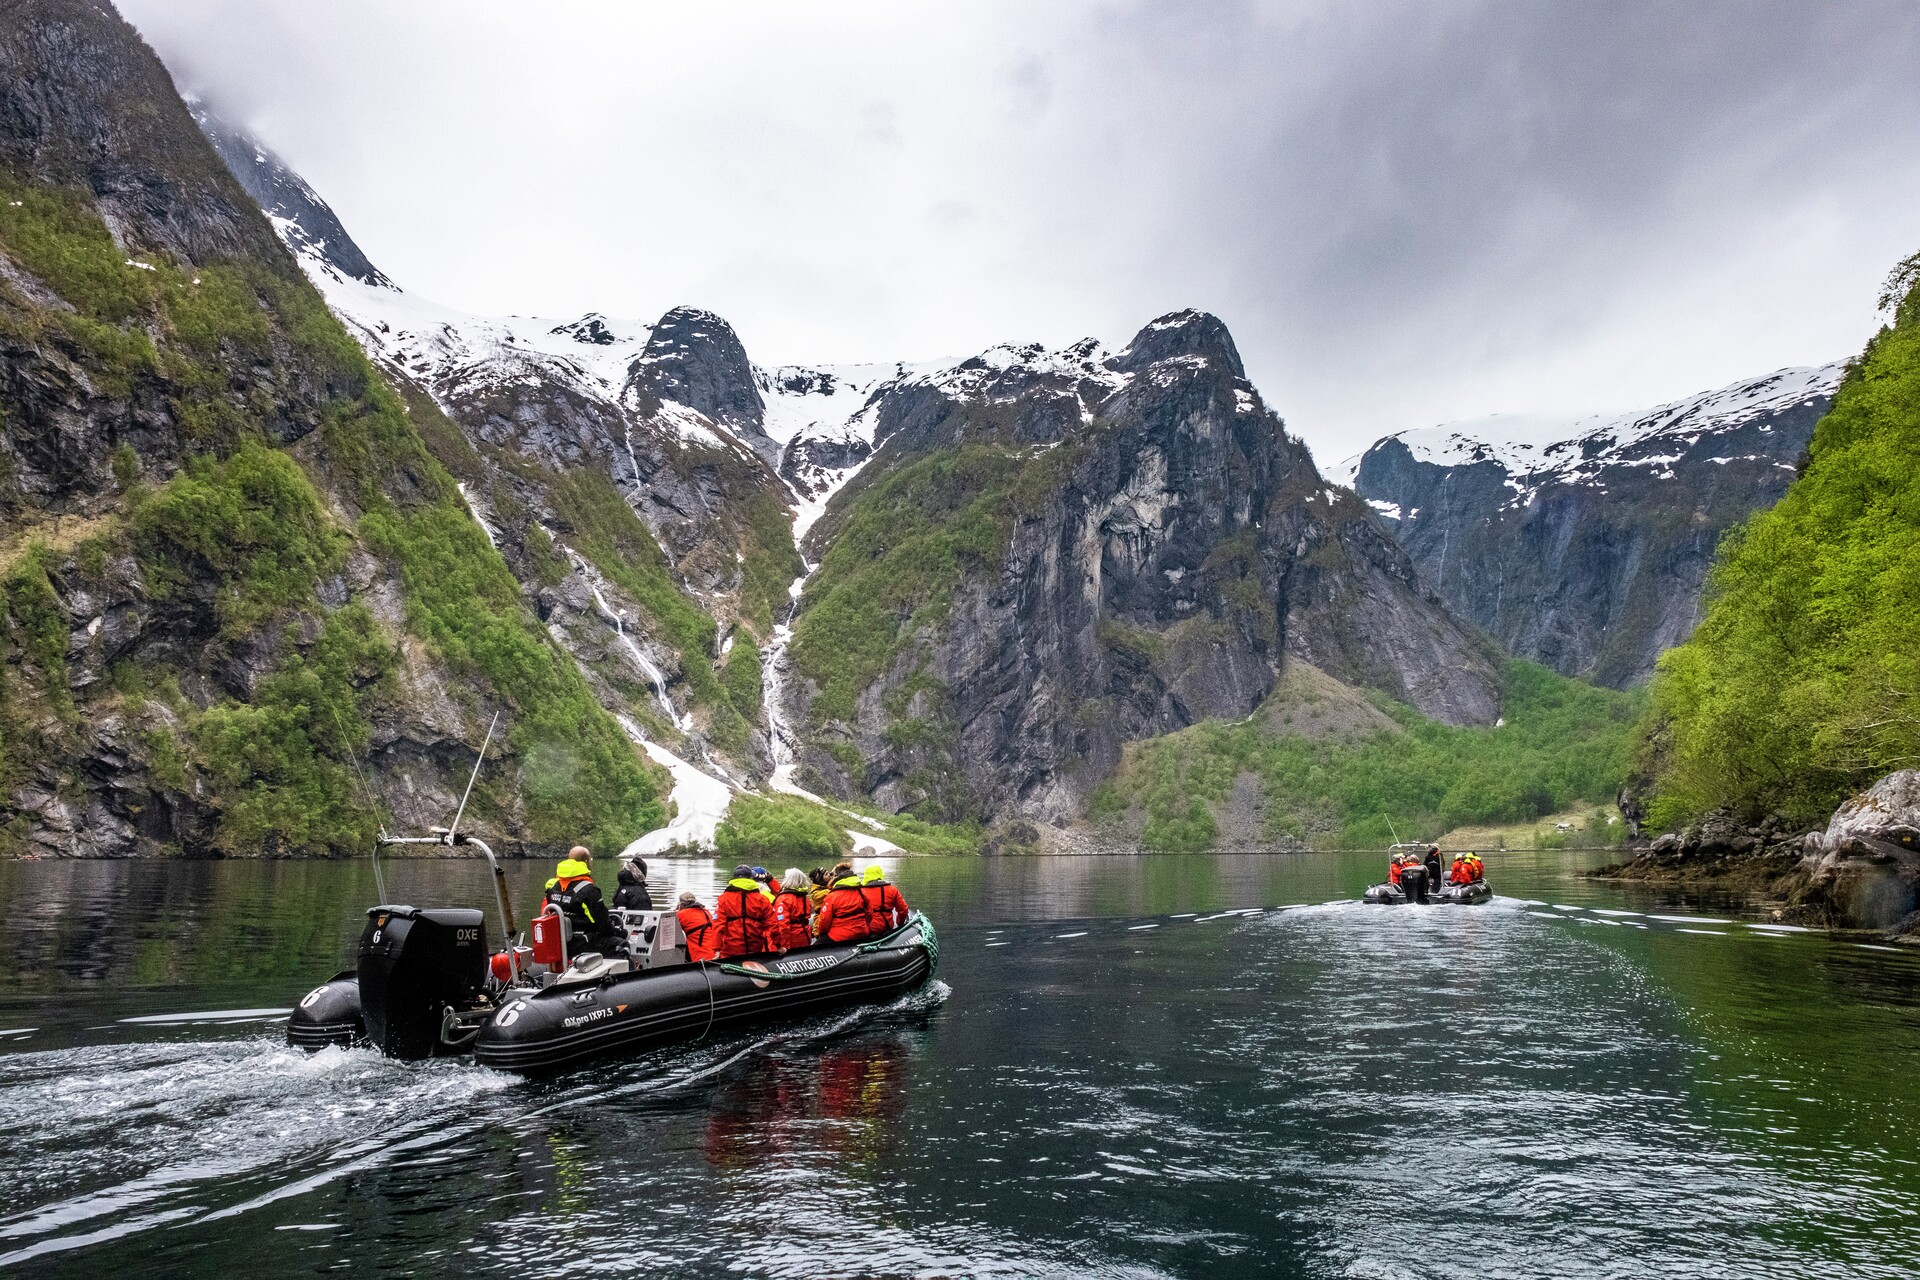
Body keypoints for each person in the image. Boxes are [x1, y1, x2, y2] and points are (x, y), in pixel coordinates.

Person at [545, 846, 620, 956]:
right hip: (581, 943)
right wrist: (618, 932)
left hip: (559, 943)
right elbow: (603, 924)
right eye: (590, 860)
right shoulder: (589, 890)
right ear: (586, 861)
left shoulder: (553, 888)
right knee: (621, 945)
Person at [713, 863, 776, 958]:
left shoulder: (723, 899)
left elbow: (718, 925)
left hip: (731, 950)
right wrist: (780, 945)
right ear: (751, 878)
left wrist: (717, 949)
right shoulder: (762, 899)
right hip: (756, 949)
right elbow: (773, 924)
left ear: (733, 879)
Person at [814, 864, 875, 944]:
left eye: (832, 875)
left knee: (816, 946)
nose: (831, 876)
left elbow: (824, 922)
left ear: (837, 877)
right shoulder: (862, 892)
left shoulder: (832, 896)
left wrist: (821, 934)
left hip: (839, 936)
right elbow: (870, 914)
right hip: (862, 932)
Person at [859, 864, 910, 933]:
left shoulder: (860, 891)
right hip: (886, 926)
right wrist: (900, 924)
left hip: (866, 929)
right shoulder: (892, 890)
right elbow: (903, 910)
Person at [772, 869, 814, 952]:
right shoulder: (805, 898)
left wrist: (784, 946)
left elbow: (783, 925)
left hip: (792, 938)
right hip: (805, 936)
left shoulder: (784, 899)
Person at [676, 892, 717, 962]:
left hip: (701, 958)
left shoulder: (681, 914)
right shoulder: (706, 912)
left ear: (681, 904)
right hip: (716, 954)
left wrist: (676, 911)